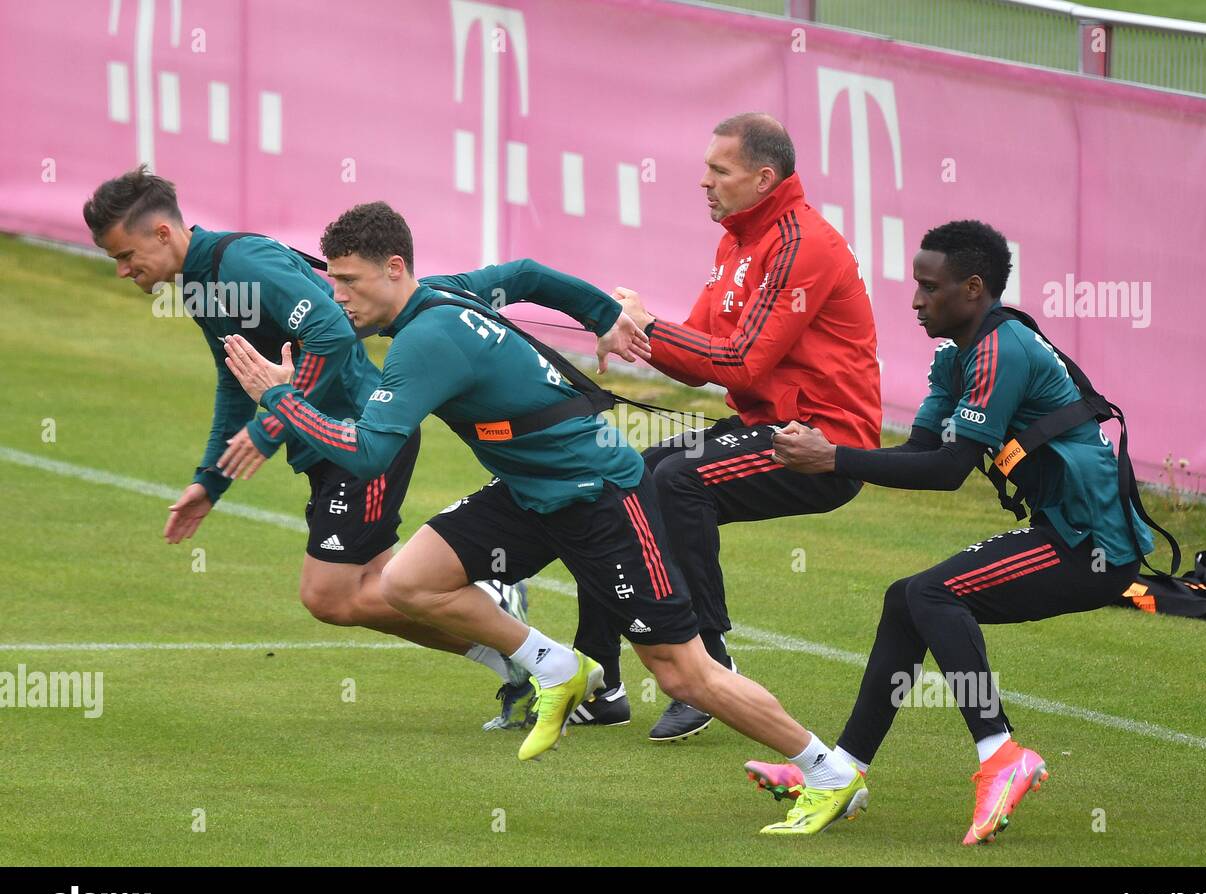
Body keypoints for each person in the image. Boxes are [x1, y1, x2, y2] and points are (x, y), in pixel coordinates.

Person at [224, 200, 870, 835]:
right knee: (409, 580)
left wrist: (278, 397)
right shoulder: (447, 293)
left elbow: (368, 454)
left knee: (683, 671)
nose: (337, 297)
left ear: (395, 268)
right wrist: (604, 317)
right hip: (531, 492)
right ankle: (556, 666)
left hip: (602, 502)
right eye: (331, 279)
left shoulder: (425, 341)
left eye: (348, 281)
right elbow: (530, 273)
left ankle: (829, 771)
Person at [745, 219, 1156, 843]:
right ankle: (842, 772)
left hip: (1093, 547)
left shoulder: (1001, 349)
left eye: (927, 287)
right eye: (915, 284)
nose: (914, 300)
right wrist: (826, 449)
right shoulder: (955, 354)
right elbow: (918, 453)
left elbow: (947, 471)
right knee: (905, 598)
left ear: (972, 288)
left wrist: (833, 458)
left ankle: (1001, 753)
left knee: (933, 594)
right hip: (1064, 532)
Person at [83, 167, 533, 729]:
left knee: (329, 595)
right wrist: (211, 480)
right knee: (368, 591)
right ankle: (514, 656)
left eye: (126, 255)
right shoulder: (200, 284)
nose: (124, 271)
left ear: (163, 234)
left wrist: (271, 425)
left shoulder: (239, 262)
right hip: (325, 447)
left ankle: (500, 620)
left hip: (363, 437)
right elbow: (236, 381)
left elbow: (330, 328)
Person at [572, 113, 881, 742]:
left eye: (719, 170)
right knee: (626, 477)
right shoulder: (737, 239)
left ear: (763, 178)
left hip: (823, 442)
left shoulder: (803, 244)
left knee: (678, 481)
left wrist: (647, 327)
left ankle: (708, 668)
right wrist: (633, 328)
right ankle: (598, 678)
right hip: (764, 426)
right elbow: (701, 355)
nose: (703, 182)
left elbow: (740, 360)